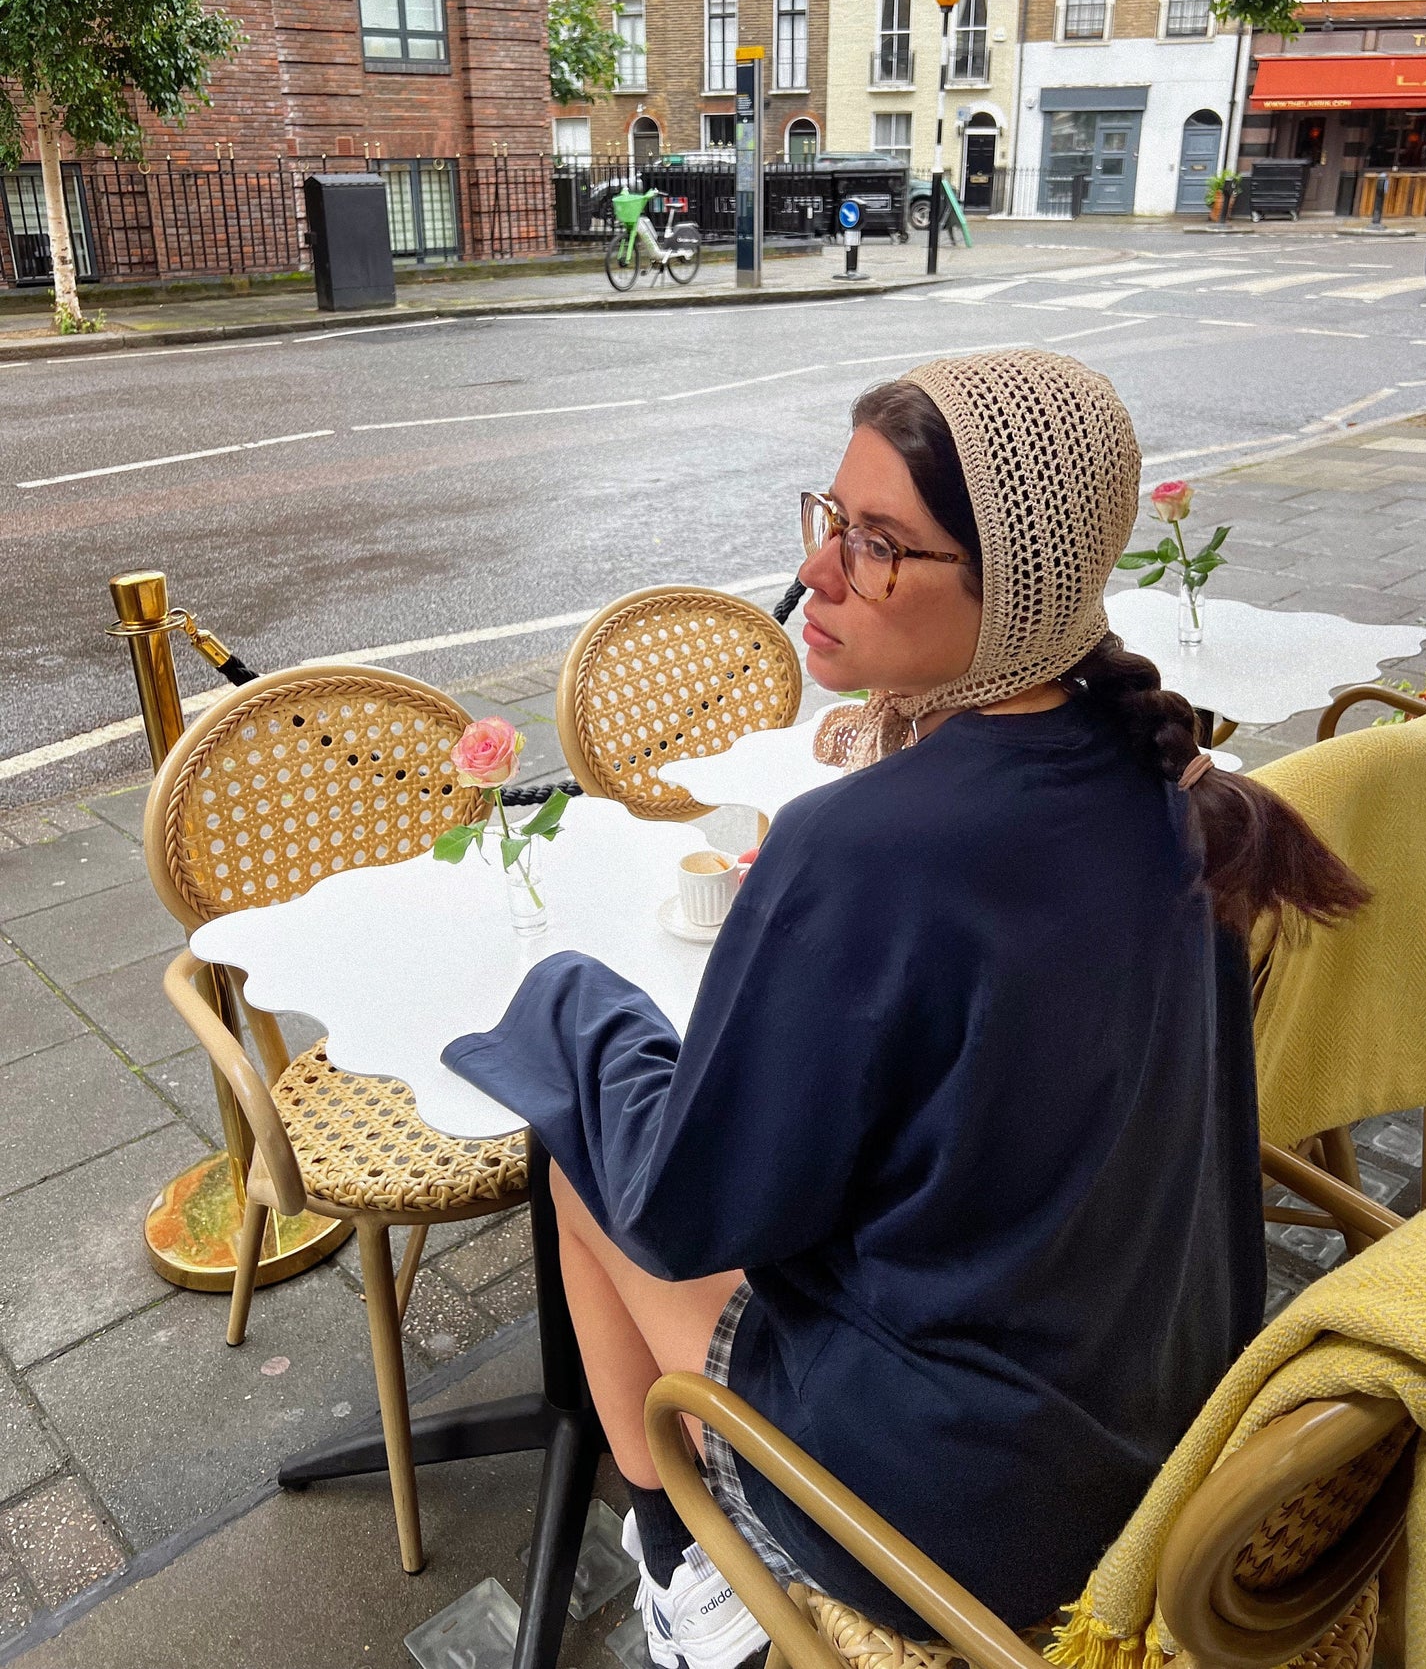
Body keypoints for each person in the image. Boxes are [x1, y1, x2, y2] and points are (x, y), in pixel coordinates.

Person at [443, 351, 1367, 1669]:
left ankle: (680, 1563)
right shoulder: (1175, 789)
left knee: (580, 1147)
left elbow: (699, 1211)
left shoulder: (855, 849)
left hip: (969, 1509)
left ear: (1017, 590)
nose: (817, 575)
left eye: (878, 548)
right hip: (1164, 1409)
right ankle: (681, 1553)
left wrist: (569, 1009)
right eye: (828, 520)